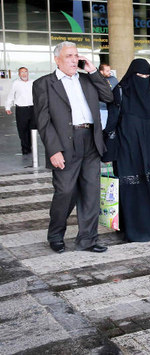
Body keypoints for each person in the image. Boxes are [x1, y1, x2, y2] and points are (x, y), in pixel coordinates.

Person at [33, 41, 113, 254]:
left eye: (76, 55)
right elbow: (43, 121)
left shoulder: (88, 80)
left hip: (90, 140)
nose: (73, 59)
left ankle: (88, 239)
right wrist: (53, 150)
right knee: (65, 192)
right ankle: (55, 234)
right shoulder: (44, 84)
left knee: (91, 194)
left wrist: (94, 71)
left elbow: (109, 96)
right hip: (64, 144)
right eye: (69, 55)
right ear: (57, 59)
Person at [102, 58, 150, 242]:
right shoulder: (120, 92)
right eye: (139, 75)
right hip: (127, 148)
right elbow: (112, 122)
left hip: (148, 147)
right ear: (131, 75)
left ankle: (145, 225)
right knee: (130, 186)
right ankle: (132, 229)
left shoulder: (148, 94)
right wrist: (108, 150)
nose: (142, 79)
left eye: (146, 76)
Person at [4, 67, 35, 154]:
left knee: (32, 129)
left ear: (28, 73)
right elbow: (11, 95)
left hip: (32, 109)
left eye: (25, 72)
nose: (24, 74)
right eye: (22, 72)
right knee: (22, 129)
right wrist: (7, 107)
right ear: (19, 74)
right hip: (21, 110)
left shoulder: (33, 82)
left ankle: (31, 146)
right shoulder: (16, 83)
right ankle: (25, 148)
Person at [99, 63, 118, 128]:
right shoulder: (96, 80)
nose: (109, 72)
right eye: (107, 71)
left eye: (110, 70)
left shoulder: (113, 79)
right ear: (101, 72)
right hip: (100, 108)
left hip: (111, 109)